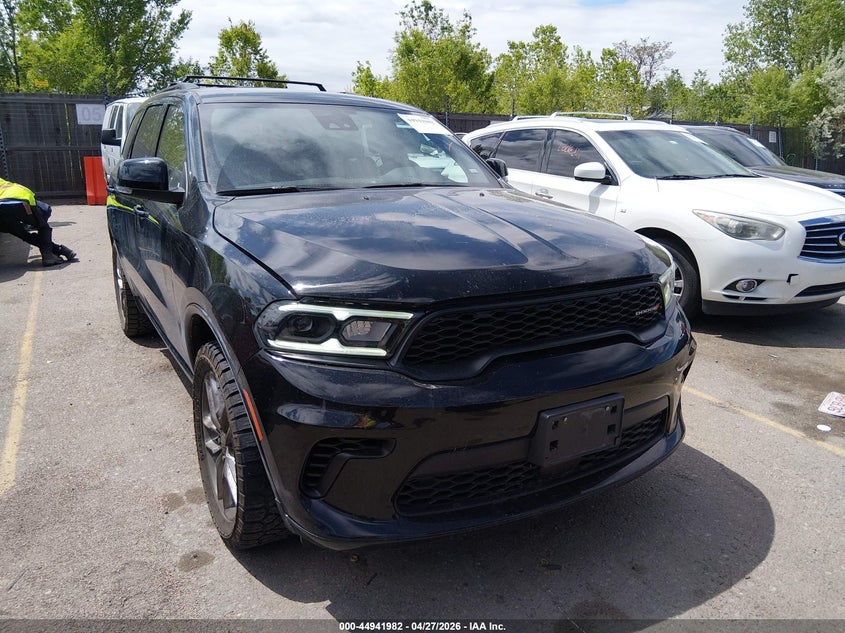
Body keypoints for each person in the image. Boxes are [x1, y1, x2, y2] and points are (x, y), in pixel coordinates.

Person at [0, 177, 76, 267]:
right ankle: (48, 256)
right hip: (20, 201)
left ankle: (57, 250)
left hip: (7, 205)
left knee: (22, 233)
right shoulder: (10, 187)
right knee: (43, 223)